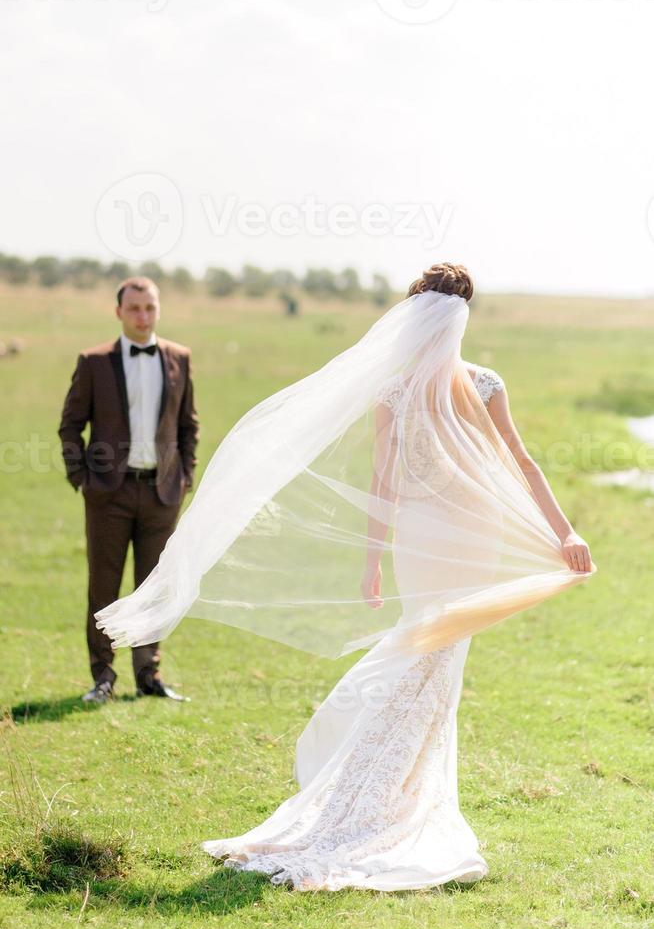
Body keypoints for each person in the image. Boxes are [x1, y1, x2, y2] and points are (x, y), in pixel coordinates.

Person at [95, 263, 595, 890]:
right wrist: (376, 560)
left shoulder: (448, 387)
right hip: (448, 541)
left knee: (437, 669)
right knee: (429, 663)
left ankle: (406, 797)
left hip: (452, 543)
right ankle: (374, 805)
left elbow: (458, 470)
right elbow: (441, 474)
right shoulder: (438, 388)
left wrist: (561, 533)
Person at [58, 276, 199, 703]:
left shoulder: (179, 358)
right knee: (103, 586)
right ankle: (102, 678)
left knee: (153, 589)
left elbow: (188, 425)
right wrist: (83, 479)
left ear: (158, 310)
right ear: (118, 312)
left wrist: (184, 475)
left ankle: (148, 677)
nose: (142, 316)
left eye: (149, 308)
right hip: (108, 495)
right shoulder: (94, 362)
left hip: (161, 494)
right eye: (134, 308)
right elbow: (70, 425)